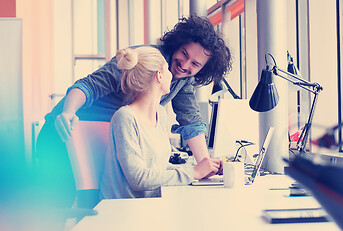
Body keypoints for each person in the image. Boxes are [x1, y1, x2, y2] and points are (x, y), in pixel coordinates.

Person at [35, 14, 232, 207]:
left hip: (96, 140)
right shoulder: (144, 62)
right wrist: (69, 112)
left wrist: (206, 166)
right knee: (56, 209)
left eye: (195, 64)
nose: (185, 65)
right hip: (64, 131)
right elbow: (90, 86)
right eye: (184, 54)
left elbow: (191, 121)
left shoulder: (180, 79)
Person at [100, 47, 219, 199]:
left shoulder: (160, 114)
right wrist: (193, 173)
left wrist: (201, 168)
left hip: (150, 204)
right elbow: (139, 179)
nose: (172, 74)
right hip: (124, 208)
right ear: (159, 76)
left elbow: (158, 168)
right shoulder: (124, 118)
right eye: (167, 70)